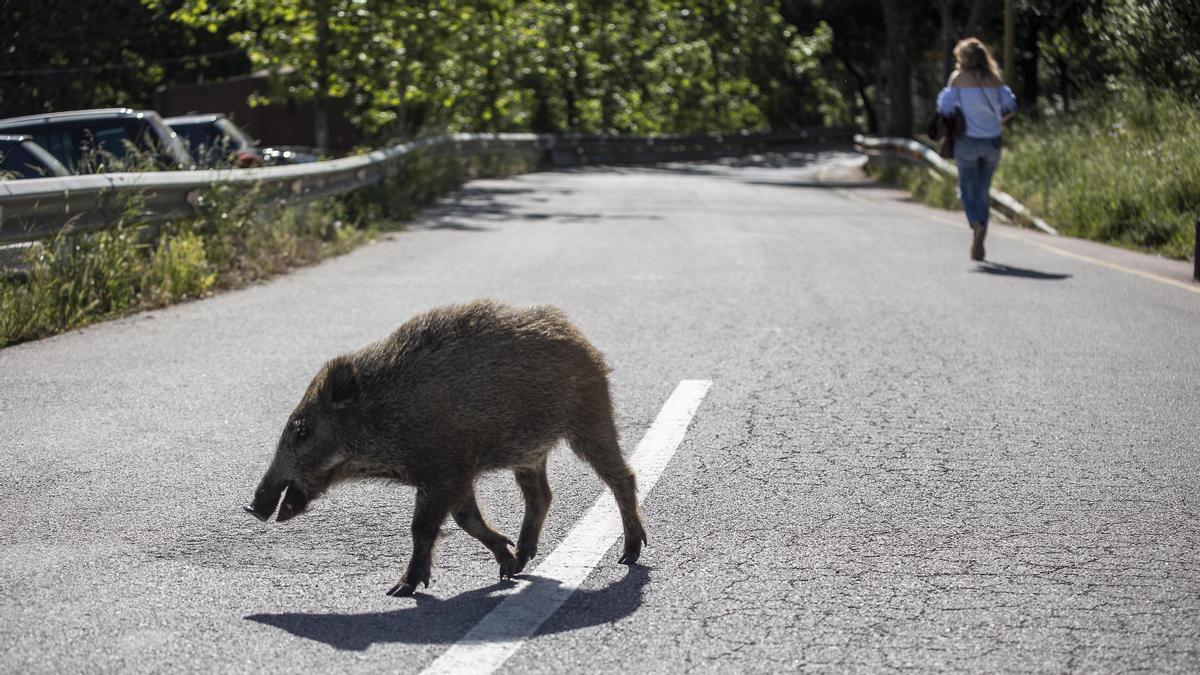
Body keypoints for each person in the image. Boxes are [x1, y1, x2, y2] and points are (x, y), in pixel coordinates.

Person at [936, 38, 1017, 261]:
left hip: (967, 141)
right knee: (983, 190)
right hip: (992, 141)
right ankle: (982, 229)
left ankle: (976, 224)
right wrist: (995, 120)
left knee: (966, 189)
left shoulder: (958, 78)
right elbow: (1010, 106)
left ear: (963, 57)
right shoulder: (995, 78)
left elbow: (946, 108)